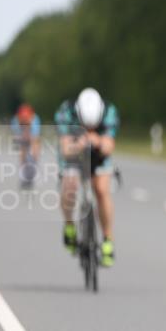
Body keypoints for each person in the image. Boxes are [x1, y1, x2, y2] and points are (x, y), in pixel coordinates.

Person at [55, 88, 120, 267]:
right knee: (70, 186)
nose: (89, 128)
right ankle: (69, 226)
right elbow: (65, 149)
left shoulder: (109, 111)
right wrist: (80, 143)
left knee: (101, 189)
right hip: (73, 155)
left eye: (93, 125)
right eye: (86, 124)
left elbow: (108, 146)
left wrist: (97, 141)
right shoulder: (66, 112)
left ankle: (107, 239)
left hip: (98, 154)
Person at [10, 103, 41, 188]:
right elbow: (16, 135)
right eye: (23, 120)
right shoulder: (15, 121)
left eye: (26, 120)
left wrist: (34, 154)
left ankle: (34, 168)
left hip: (32, 134)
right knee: (22, 151)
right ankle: (23, 175)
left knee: (35, 149)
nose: (25, 121)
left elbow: (35, 137)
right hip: (21, 135)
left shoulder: (35, 120)